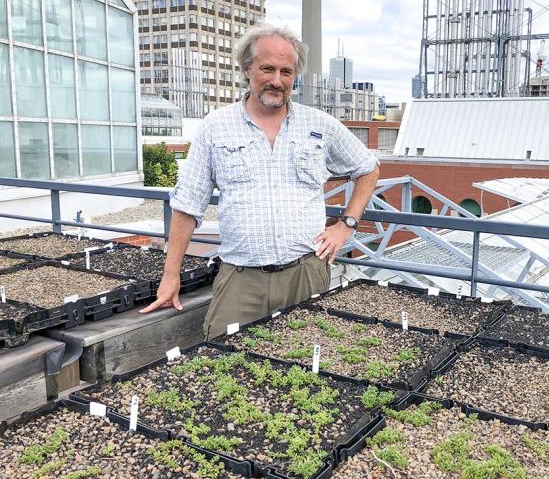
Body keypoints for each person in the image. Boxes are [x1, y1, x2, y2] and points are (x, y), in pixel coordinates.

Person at [139, 23, 379, 339]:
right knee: (226, 362)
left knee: (310, 368)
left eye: (286, 72)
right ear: (247, 69)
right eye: (267, 69)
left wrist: (346, 224)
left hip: (306, 273)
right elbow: (186, 207)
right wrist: (171, 276)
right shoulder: (216, 127)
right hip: (241, 280)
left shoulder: (319, 125)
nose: (277, 81)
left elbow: (368, 168)